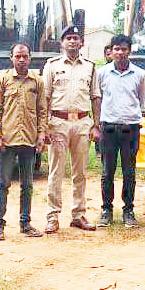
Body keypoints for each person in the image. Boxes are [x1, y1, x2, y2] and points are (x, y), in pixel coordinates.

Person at [42, 24, 101, 233]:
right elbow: (45, 97)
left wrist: (96, 124)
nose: (73, 41)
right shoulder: (51, 65)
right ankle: (52, 216)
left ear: (81, 42)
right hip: (58, 122)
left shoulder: (90, 66)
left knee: (80, 172)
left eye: (76, 38)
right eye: (68, 38)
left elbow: (95, 96)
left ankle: (78, 214)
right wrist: (44, 126)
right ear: (62, 43)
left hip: (83, 123)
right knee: (56, 171)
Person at [0, 42, 46, 240]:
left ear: (30, 58)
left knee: (28, 185)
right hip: (7, 140)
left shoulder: (37, 82)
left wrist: (41, 135)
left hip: (29, 140)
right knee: (3, 183)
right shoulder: (3, 80)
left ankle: (25, 223)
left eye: (25, 56)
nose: (21, 59)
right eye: (18, 56)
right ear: (11, 58)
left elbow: (42, 111)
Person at [96, 34, 145, 228]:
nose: (120, 52)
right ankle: (106, 210)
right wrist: (98, 124)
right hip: (108, 128)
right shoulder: (102, 73)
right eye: (116, 49)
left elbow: (141, 101)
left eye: (124, 49)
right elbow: (98, 98)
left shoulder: (139, 74)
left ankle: (128, 210)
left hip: (131, 129)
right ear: (111, 51)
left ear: (129, 51)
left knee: (129, 171)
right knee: (107, 171)